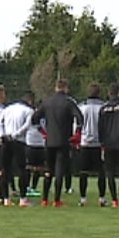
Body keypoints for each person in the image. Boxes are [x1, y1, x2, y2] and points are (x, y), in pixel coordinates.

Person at [31, 78, 83, 207]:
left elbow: (34, 119)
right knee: (59, 171)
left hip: (49, 141)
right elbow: (80, 118)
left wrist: (42, 132)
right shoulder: (69, 102)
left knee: (48, 170)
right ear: (66, 88)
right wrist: (77, 133)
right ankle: (56, 200)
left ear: (55, 88)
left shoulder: (47, 102)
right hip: (64, 140)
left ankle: (44, 199)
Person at [0, 90, 36, 207]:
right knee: (22, 170)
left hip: (6, 141)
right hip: (19, 142)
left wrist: (2, 135)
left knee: (5, 170)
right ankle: (23, 199)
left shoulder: (7, 109)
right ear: (30, 101)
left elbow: (0, 123)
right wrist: (15, 135)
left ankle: (5, 199)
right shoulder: (29, 111)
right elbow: (26, 126)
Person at [76, 83, 107, 207]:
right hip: (99, 143)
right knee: (101, 172)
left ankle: (83, 198)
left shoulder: (81, 107)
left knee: (83, 172)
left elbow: (76, 125)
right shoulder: (103, 107)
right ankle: (102, 198)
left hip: (85, 142)